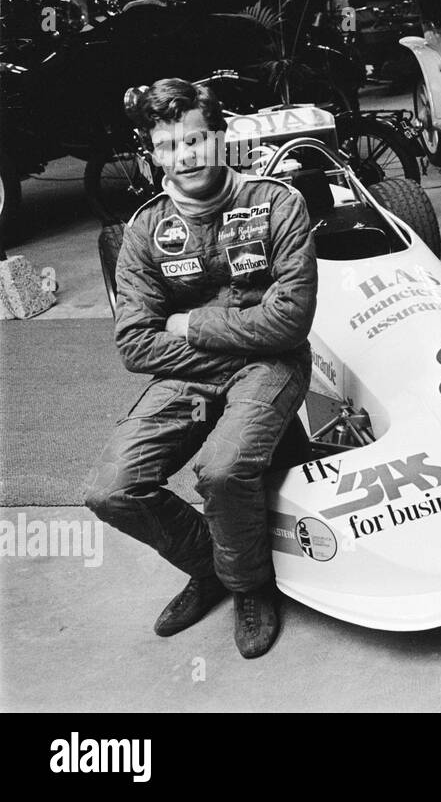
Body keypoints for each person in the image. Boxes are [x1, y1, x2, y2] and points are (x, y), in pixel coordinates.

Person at [84, 78, 318, 657]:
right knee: (111, 489)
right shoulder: (145, 229)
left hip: (272, 367)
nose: (184, 156)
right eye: (168, 146)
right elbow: (136, 344)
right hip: (191, 375)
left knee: (223, 468)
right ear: (152, 155)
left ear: (219, 138)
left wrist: (190, 324)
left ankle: (249, 586)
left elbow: (289, 323)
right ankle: (211, 565)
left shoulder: (278, 203)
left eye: (195, 140)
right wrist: (242, 331)